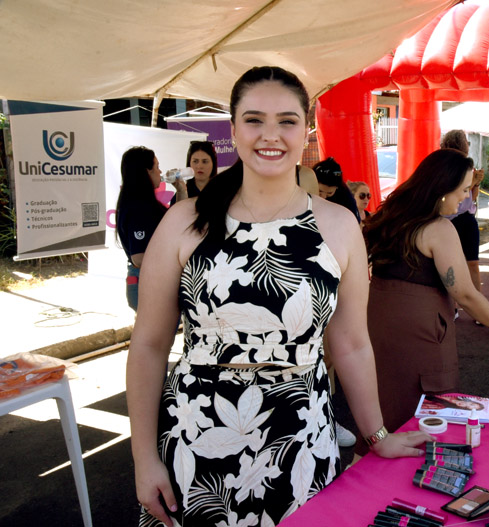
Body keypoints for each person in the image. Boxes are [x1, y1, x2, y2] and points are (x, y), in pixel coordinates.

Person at [126, 66, 431, 527]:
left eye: (287, 121)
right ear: (233, 130)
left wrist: (377, 435)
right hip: (194, 442)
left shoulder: (338, 225)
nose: (270, 135)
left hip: (301, 442)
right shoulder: (185, 220)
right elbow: (149, 345)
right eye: (254, 120)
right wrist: (143, 458)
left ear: (305, 131)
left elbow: (351, 344)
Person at [364, 148, 489, 432]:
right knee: (426, 411)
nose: (466, 196)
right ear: (442, 189)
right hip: (420, 334)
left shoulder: (390, 217)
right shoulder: (438, 228)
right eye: (463, 189)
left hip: (379, 324)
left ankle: (373, 452)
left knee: (383, 398)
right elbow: (465, 293)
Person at [115, 146, 167, 311]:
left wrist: (181, 190)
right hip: (147, 282)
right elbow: (139, 258)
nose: (160, 172)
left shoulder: (144, 204)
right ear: (147, 172)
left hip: (149, 281)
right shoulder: (138, 208)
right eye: (157, 166)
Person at [440, 129, 485, 294]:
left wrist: (476, 183)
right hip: (448, 220)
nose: (468, 145)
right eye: (466, 142)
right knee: (448, 263)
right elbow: (453, 193)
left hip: (466, 218)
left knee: (472, 262)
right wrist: (472, 182)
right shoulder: (444, 166)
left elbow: (470, 197)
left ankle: (478, 301)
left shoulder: (468, 166)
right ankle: (450, 302)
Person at [170, 141, 218, 205]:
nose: (199, 166)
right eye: (195, 161)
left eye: (205, 162)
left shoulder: (223, 192)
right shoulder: (181, 195)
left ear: (213, 164)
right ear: (189, 163)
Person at [314, 157, 361, 222]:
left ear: (337, 188)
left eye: (329, 193)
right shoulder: (305, 188)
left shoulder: (346, 198)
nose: (323, 197)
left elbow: (356, 221)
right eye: (320, 191)